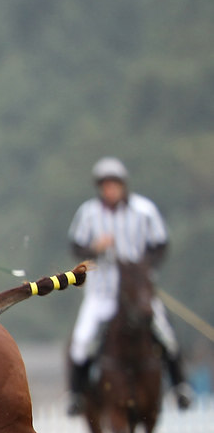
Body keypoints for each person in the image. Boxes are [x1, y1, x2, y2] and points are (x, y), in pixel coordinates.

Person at [66, 156, 193, 414]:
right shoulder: (88, 213)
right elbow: (76, 247)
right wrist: (95, 248)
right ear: (100, 188)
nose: (110, 190)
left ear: (123, 185)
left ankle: (180, 387)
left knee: (166, 335)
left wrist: (144, 270)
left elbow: (160, 245)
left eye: (114, 184)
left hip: (138, 292)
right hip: (102, 292)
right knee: (81, 341)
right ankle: (76, 395)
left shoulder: (144, 211)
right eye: (105, 185)